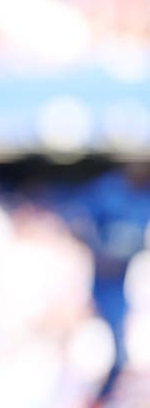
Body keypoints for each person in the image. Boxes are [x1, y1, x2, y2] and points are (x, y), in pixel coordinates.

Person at [65, 162, 150, 407]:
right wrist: (98, 250)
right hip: (102, 291)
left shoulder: (144, 196)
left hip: (133, 290)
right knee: (95, 356)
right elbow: (76, 219)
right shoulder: (106, 189)